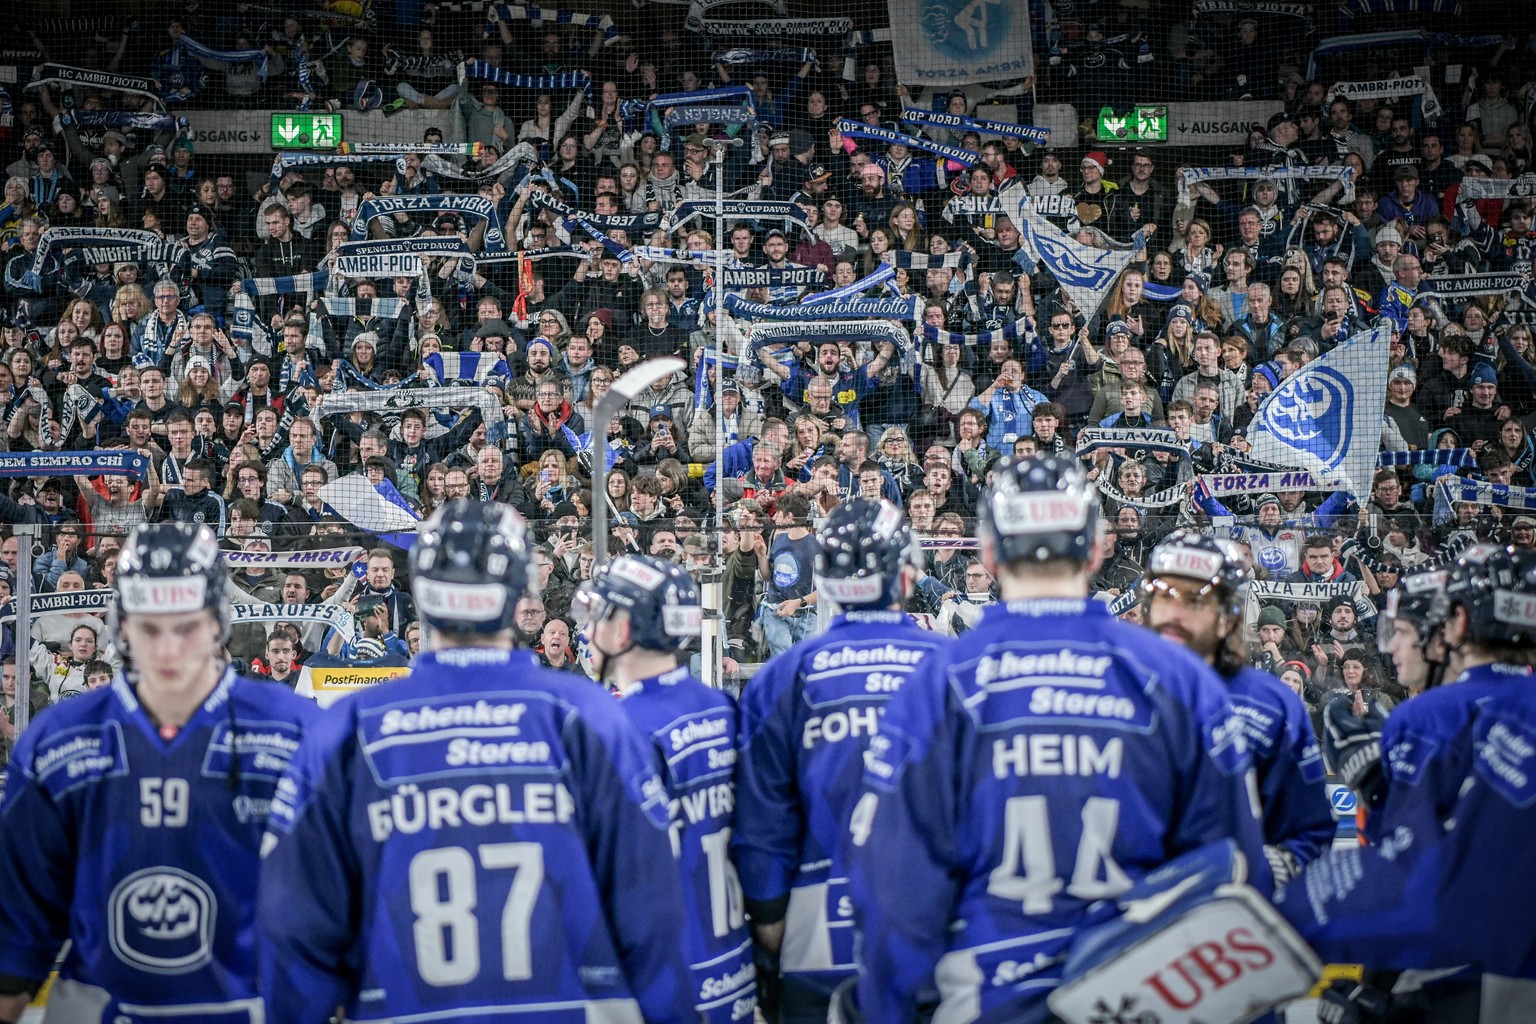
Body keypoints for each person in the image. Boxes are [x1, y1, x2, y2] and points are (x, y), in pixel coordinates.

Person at [846, 455, 1269, 1022]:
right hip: (1141, 1003)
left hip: (986, 1001)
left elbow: (894, 890)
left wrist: (889, 1009)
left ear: (989, 552)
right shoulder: (1181, 680)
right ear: (1094, 550)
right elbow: (1237, 876)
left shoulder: (938, 682)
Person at [257, 500, 696, 1023]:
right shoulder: (588, 716)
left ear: (423, 590)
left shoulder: (347, 728)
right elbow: (653, 910)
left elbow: (293, 928)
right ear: (517, 590)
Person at [0, 523, 318, 1021]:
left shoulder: (295, 732)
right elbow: (17, 933)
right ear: (122, 626)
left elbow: (334, 908)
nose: (168, 648)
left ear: (217, 622)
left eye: (185, 625)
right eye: (150, 626)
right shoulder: (58, 741)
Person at [1276, 545, 1536, 1020]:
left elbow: (1408, 866)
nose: (1392, 647)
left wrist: (1377, 785)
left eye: (1401, 633)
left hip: (1461, 974)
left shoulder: (1425, 716)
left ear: (1454, 625)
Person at [734, 497, 943, 1023]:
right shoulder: (952, 668)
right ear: (906, 575)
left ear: (825, 580)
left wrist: (769, 937)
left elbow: (762, 828)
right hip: (936, 932)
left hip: (817, 938)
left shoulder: (782, 678)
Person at [576, 555, 757, 1023]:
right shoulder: (718, 705)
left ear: (622, 631)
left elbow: (617, 880)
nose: (587, 629)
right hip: (731, 966)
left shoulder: (623, 727)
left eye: (596, 617)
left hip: (668, 980)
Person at [1140, 530, 1334, 883]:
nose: (1174, 614)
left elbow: (1309, 833)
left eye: (1195, 600)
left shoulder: (1270, 704)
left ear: (1227, 619)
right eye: (1165, 595)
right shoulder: (1112, 689)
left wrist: (1252, 875)